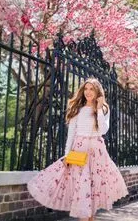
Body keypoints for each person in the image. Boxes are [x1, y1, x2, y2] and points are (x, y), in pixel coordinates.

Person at [27, 78, 128, 221]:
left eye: (91, 89)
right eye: (86, 89)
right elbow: (71, 135)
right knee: (83, 191)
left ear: (97, 91)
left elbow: (103, 130)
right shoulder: (77, 109)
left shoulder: (104, 108)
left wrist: (99, 109)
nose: (88, 92)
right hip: (79, 152)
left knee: (92, 192)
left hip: (97, 153)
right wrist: (67, 155)